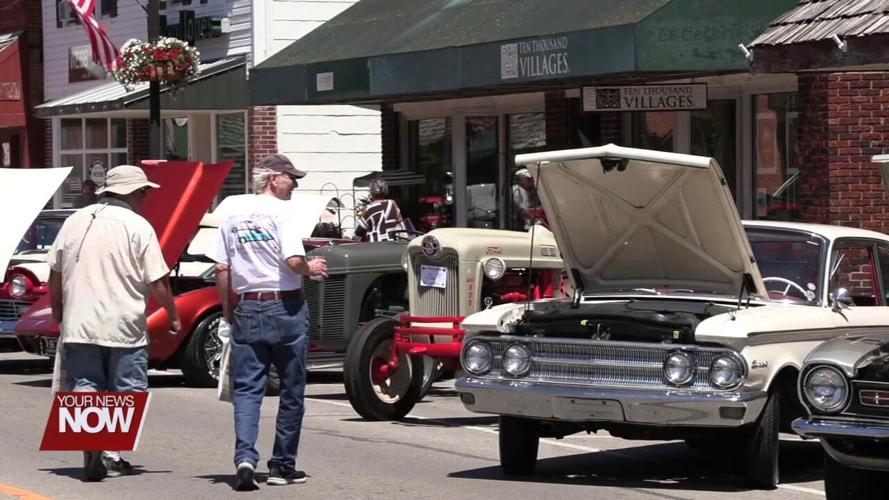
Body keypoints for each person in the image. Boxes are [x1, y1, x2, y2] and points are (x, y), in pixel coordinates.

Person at [47, 165, 181, 481]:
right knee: (129, 389)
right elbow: (157, 280)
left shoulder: (74, 221)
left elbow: (55, 272)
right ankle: (110, 452)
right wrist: (172, 314)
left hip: (80, 321)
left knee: (85, 384)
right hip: (123, 324)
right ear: (133, 193)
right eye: (145, 192)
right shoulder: (137, 226)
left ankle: (90, 443)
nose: (146, 198)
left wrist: (58, 311)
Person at [210, 153, 328, 491]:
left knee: (248, 389)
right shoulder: (283, 213)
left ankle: (245, 457)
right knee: (291, 389)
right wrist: (313, 268)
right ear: (274, 178)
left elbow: (222, 268)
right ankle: (282, 466)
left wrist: (228, 308)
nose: (295, 183)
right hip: (285, 307)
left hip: (248, 305)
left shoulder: (231, 214)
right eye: (291, 177)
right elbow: (293, 260)